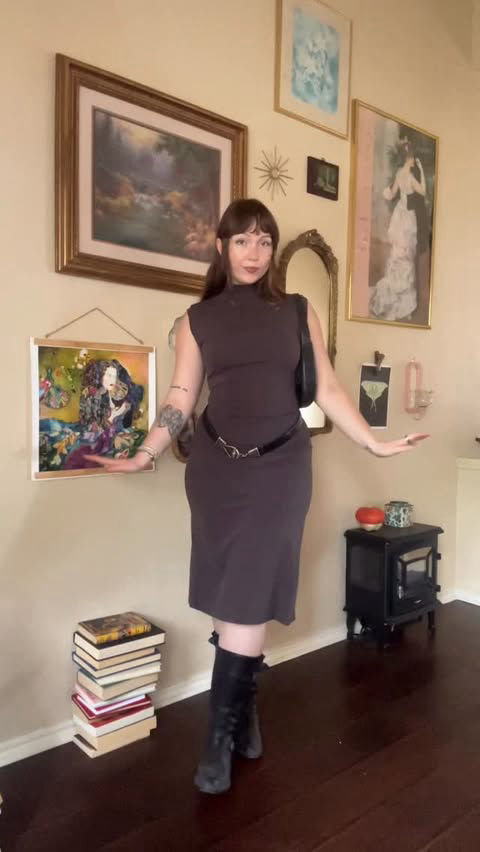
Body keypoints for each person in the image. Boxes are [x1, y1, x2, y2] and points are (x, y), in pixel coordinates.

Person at [89, 198, 428, 795]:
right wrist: (145, 453)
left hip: (280, 470)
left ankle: (217, 742)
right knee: (229, 592)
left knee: (246, 597)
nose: (254, 252)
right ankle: (243, 719)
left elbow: (326, 387)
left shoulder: (297, 311)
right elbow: (181, 396)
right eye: (242, 240)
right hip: (216, 471)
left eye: (264, 241)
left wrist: (373, 444)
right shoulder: (196, 320)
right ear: (221, 247)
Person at [370, 141, 427, 321]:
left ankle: (393, 296)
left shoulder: (399, 173)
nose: (414, 161)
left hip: (399, 214)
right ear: (411, 158)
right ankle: (404, 306)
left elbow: (392, 193)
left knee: (397, 255)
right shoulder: (409, 175)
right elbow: (423, 191)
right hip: (407, 217)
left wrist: (386, 192)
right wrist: (421, 170)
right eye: (414, 158)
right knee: (406, 259)